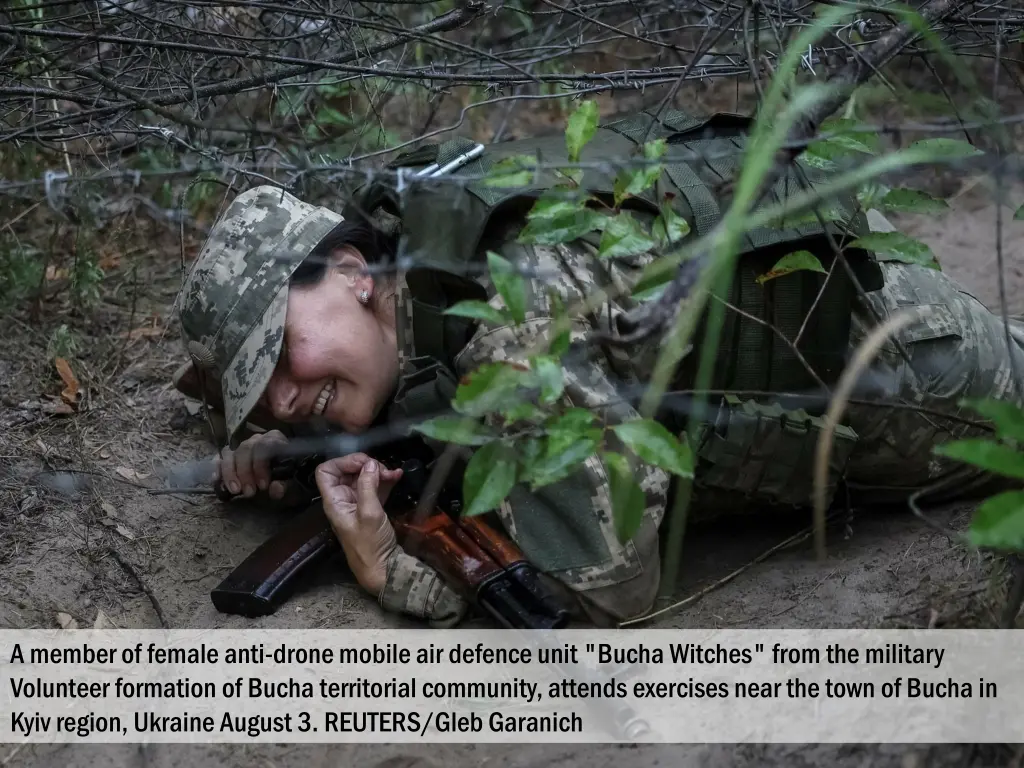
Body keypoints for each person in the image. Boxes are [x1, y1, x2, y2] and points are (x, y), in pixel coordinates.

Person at [171, 122, 1024, 629]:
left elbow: (611, 592)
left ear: (354, 270)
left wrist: (390, 569)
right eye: (259, 393)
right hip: (844, 318)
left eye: (281, 354)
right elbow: (374, 391)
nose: (283, 395)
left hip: (915, 375)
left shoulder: (506, 322)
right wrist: (279, 452)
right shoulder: (421, 266)